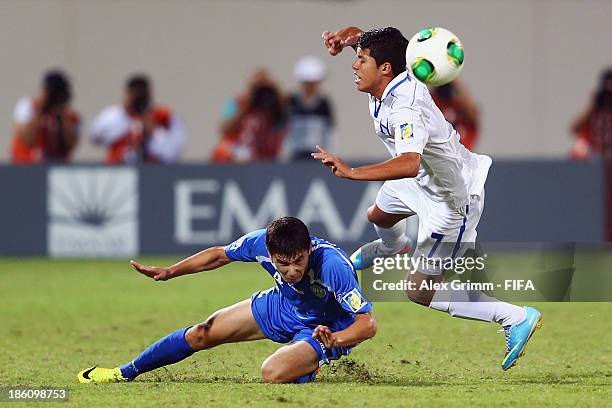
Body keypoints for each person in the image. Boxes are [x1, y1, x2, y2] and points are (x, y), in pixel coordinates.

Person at [314, 26, 541, 371]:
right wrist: (346, 40)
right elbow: (368, 37)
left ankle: (514, 316)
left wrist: (351, 172)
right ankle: (393, 247)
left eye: (361, 60)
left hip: (450, 202)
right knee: (379, 216)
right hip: (422, 182)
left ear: (386, 68)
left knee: (418, 291)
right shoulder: (389, 74)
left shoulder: (405, 108)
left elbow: (408, 163)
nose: (354, 66)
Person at [77, 217, 376, 384]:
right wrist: (171, 271)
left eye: (299, 260)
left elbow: (367, 324)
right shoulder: (259, 241)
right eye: (283, 264)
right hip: (284, 306)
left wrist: (333, 340)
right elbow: (219, 255)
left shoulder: (333, 266)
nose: (292, 270)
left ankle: (309, 361)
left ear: (309, 248)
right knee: (202, 332)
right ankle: (124, 372)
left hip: (326, 326)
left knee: (273, 373)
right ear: (270, 254)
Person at [89, 74, 184, 164]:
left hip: (153, 170)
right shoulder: (114, 114)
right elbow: (95, 138)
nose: (139, 98)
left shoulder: (164, 115)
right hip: (118, 169)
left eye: (142, 94)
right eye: (135, 94)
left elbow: (172, 152)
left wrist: (151, 128)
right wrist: (125, 116)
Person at [212, 69, 286, 162]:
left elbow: (284, 119)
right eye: (257, 88)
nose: (261, 93)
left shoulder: (274, 105)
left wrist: (274, 93)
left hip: (266, 152)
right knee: (221, 151)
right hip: (242, 149)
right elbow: (225, 129)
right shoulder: (238, 102)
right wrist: (247, 106)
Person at [11, 70, 80, 164]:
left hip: (54, 167)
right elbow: (27, 140)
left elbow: (70, 146)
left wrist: (62, 114)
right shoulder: (28, 106)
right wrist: (40, 110)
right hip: (25, 167)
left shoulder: (70, 117)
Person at [284, 56, 335, 160]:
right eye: (307, 83)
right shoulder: (291, 102)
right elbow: (284, 131)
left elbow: (329, 132)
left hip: (317, 156)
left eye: (314, 83)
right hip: (294, 156)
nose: (310, 86)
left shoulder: (324, 104)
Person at [429, 79, 479, 151]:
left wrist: (453, 77)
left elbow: (471, 111)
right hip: (438, 155)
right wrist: (437, 79)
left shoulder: (459, 108)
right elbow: (426, 102)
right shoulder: (436, 106)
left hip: (461, 157)